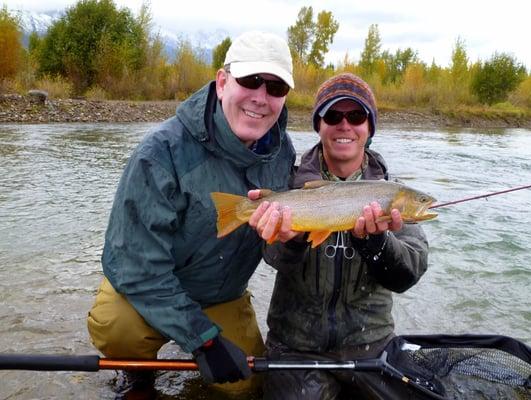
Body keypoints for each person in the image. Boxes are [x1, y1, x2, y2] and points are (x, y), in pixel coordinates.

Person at [87, 31, 296, 399]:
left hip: (221, 294)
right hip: (148, 287)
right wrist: (205, 341)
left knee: (248, 383)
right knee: (117, 330)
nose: (261, 98)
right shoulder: (160, 152)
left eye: (276, 88)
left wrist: (287, 243)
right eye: (250, 81)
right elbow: (136, 267)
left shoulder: (282, 155)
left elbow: (280, 253)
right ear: (222, 82)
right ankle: (138, 377)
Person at [248, 73, 429, 399]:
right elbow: (271, 258)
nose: (344, 125)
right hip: (296, 345)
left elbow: (408, 273)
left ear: (369, 128)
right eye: (333, 116)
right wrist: (293, 238)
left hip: (370, 343)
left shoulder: (392, 189)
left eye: (356, 116)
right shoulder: (291, 182)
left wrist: (377, 245)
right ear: (319, 125)